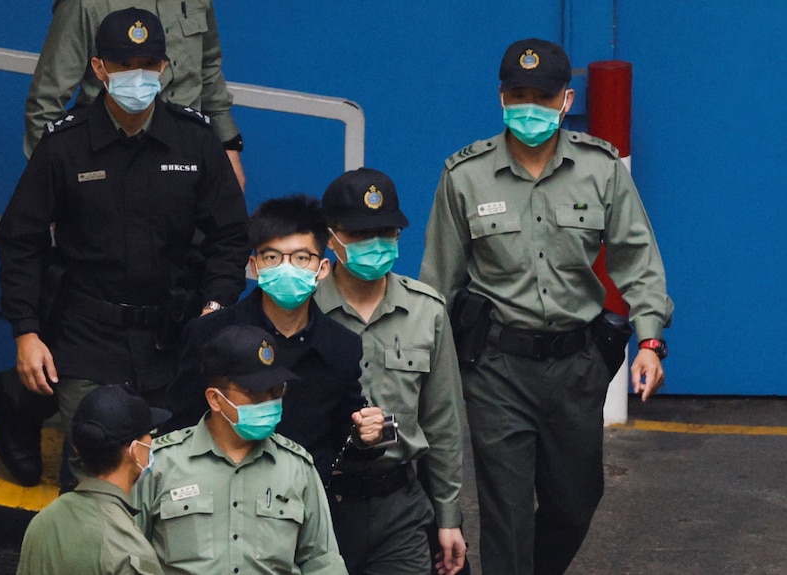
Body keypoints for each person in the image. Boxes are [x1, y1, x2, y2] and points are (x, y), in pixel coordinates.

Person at [419, 38, 674, 575]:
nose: (528, 106)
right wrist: (423, 372)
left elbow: (638, 261)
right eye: (517, 95)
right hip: (496, 367)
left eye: (542, 95)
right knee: (506, 511)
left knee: (576, 500)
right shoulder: (464, 176)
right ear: (501, 97)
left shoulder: (600, 170)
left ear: (566, 99)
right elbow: (437, 284)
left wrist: (650, 340)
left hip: (576, 366)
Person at [0, 8, 249, 483]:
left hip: (172, 337)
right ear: (99, 69)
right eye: (124, 64)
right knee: (95, 476)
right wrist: (26, 331)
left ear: (164, 68)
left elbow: (231, 235)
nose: (138, 76)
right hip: (87, 337)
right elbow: (20, 241)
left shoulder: (194, 143)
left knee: (169, 478)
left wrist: (216, 305)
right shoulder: (64, 147)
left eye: (150, 64)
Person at [165, 194, 385, 484]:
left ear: (322, 269)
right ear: (255, 267)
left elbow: (343, 439)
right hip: (218, 499)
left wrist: (366, 437)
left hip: (301, 503)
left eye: (301, 258)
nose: (286, 267)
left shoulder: (342, 347)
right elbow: (180, 430)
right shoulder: (209, 335)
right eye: (272, 257)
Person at [313, 168, 468, 575]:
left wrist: (449, 517)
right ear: (331, 238)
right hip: (320, 501)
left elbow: (443, 423)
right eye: (361, 235)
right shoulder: (305, 310)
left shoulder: (426, 311)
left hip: (398, 503)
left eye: (386, 233)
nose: (376, 245)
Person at [135, 324, 348, 574]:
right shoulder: (160, 464)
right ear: (215, 399)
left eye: (277, 390)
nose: (270, 402)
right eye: (256, 393)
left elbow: (321, 561)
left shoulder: (297, 467)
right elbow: (130, 555)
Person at [23, 0, 246, 190]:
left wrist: (229, 145)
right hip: (108, 158)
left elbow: (208, 68)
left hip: (187, 157)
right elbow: (46, 101)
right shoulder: (85, 3)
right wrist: (49, 186)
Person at [16, 384, 171, 575]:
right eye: (149, 434)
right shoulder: (130, 552)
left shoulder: (43, 522)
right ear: (136, 451)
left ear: (78, 449)